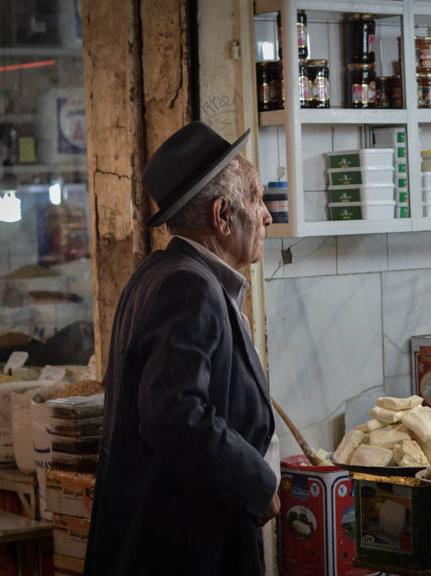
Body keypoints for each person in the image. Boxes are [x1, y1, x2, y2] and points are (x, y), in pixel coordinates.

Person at [84, 122, 278, 576]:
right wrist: (255, 483)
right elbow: (174, 415)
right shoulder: (188, 287)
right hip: (181, 550)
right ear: (222, 215)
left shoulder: (163, 273)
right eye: (255, 197)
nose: (267, 215)